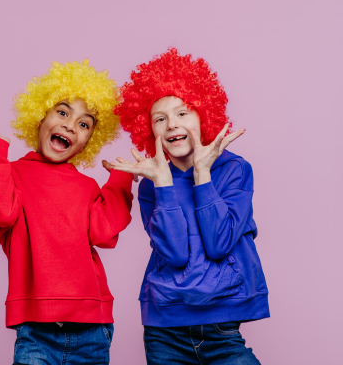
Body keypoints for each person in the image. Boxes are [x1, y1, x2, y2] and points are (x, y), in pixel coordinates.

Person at [0, 60, 134, 365]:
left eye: (84, 124)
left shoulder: (87, 186)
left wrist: (122, 177)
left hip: (92, 327)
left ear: (89, 141)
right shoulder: (12, 173)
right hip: (36, 329)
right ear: (40, 116)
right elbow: (2, 214)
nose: (71, 126)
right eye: (62, 112)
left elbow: (103, 233)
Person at [112, 48, 269, 364]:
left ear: (203, 115)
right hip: (164, 329)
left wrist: (202, 174)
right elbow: (175, 254)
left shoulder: (234, 169)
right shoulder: (151, 184)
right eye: (160, 118)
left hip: (221, 328)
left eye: (183, 113)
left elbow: (219, 243)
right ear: (149, 130)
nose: (172, 124)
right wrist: (163, 185)